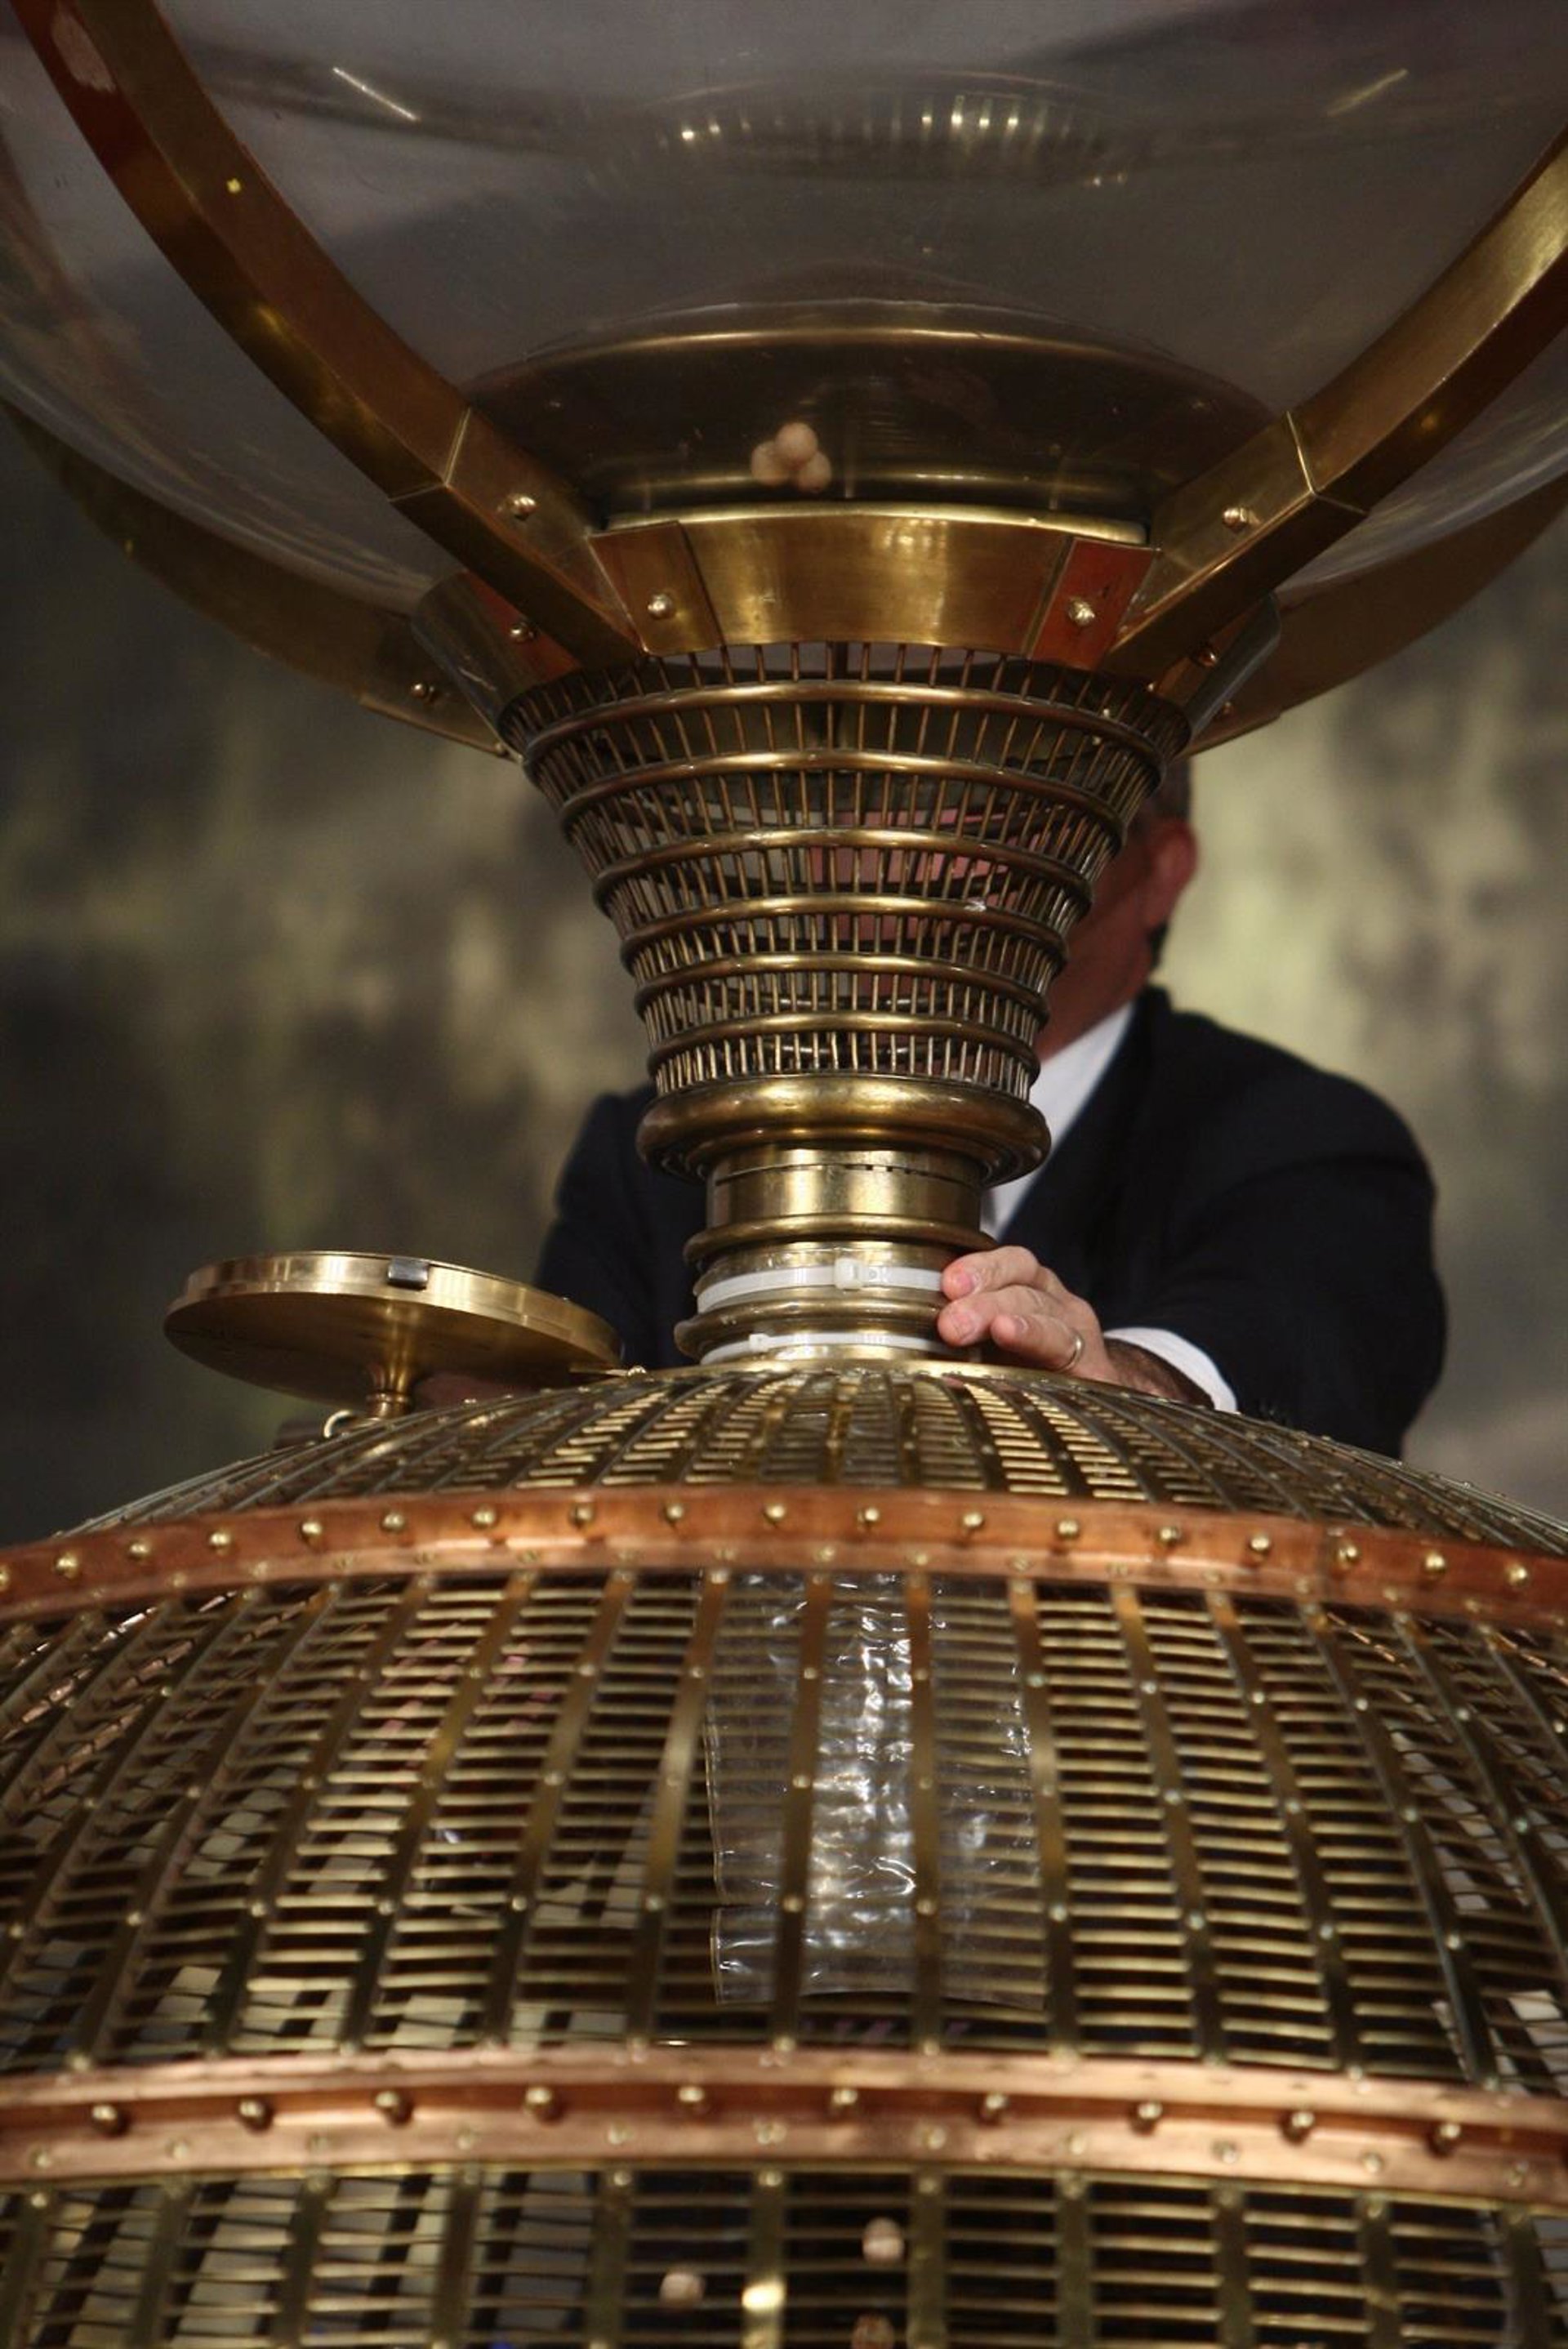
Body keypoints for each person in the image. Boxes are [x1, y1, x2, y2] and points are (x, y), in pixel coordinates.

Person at [536, 769, 1446, 1454]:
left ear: (1160, 869)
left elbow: (1295, 1339)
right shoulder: (665, 1147)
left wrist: (1121, 1386)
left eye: (995, 818)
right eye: (864, 804)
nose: (906, 862)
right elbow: (550, 1456)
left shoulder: (1305, 1141)